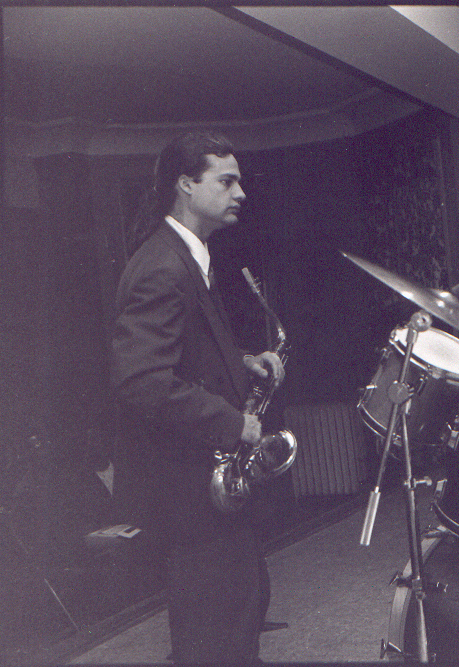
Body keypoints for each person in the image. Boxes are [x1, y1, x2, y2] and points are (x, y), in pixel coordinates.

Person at [111, 131, 285, 664]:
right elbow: (143, 381)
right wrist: (234, 422)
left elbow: (188, 355)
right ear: (187, 185)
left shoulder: (189, 254)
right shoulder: (162, 265)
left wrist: (243, 364)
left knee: (240, 610)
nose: (241, 194)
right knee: (214, 633)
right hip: (189, 491)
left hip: (205, 484)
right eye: (226, 181)